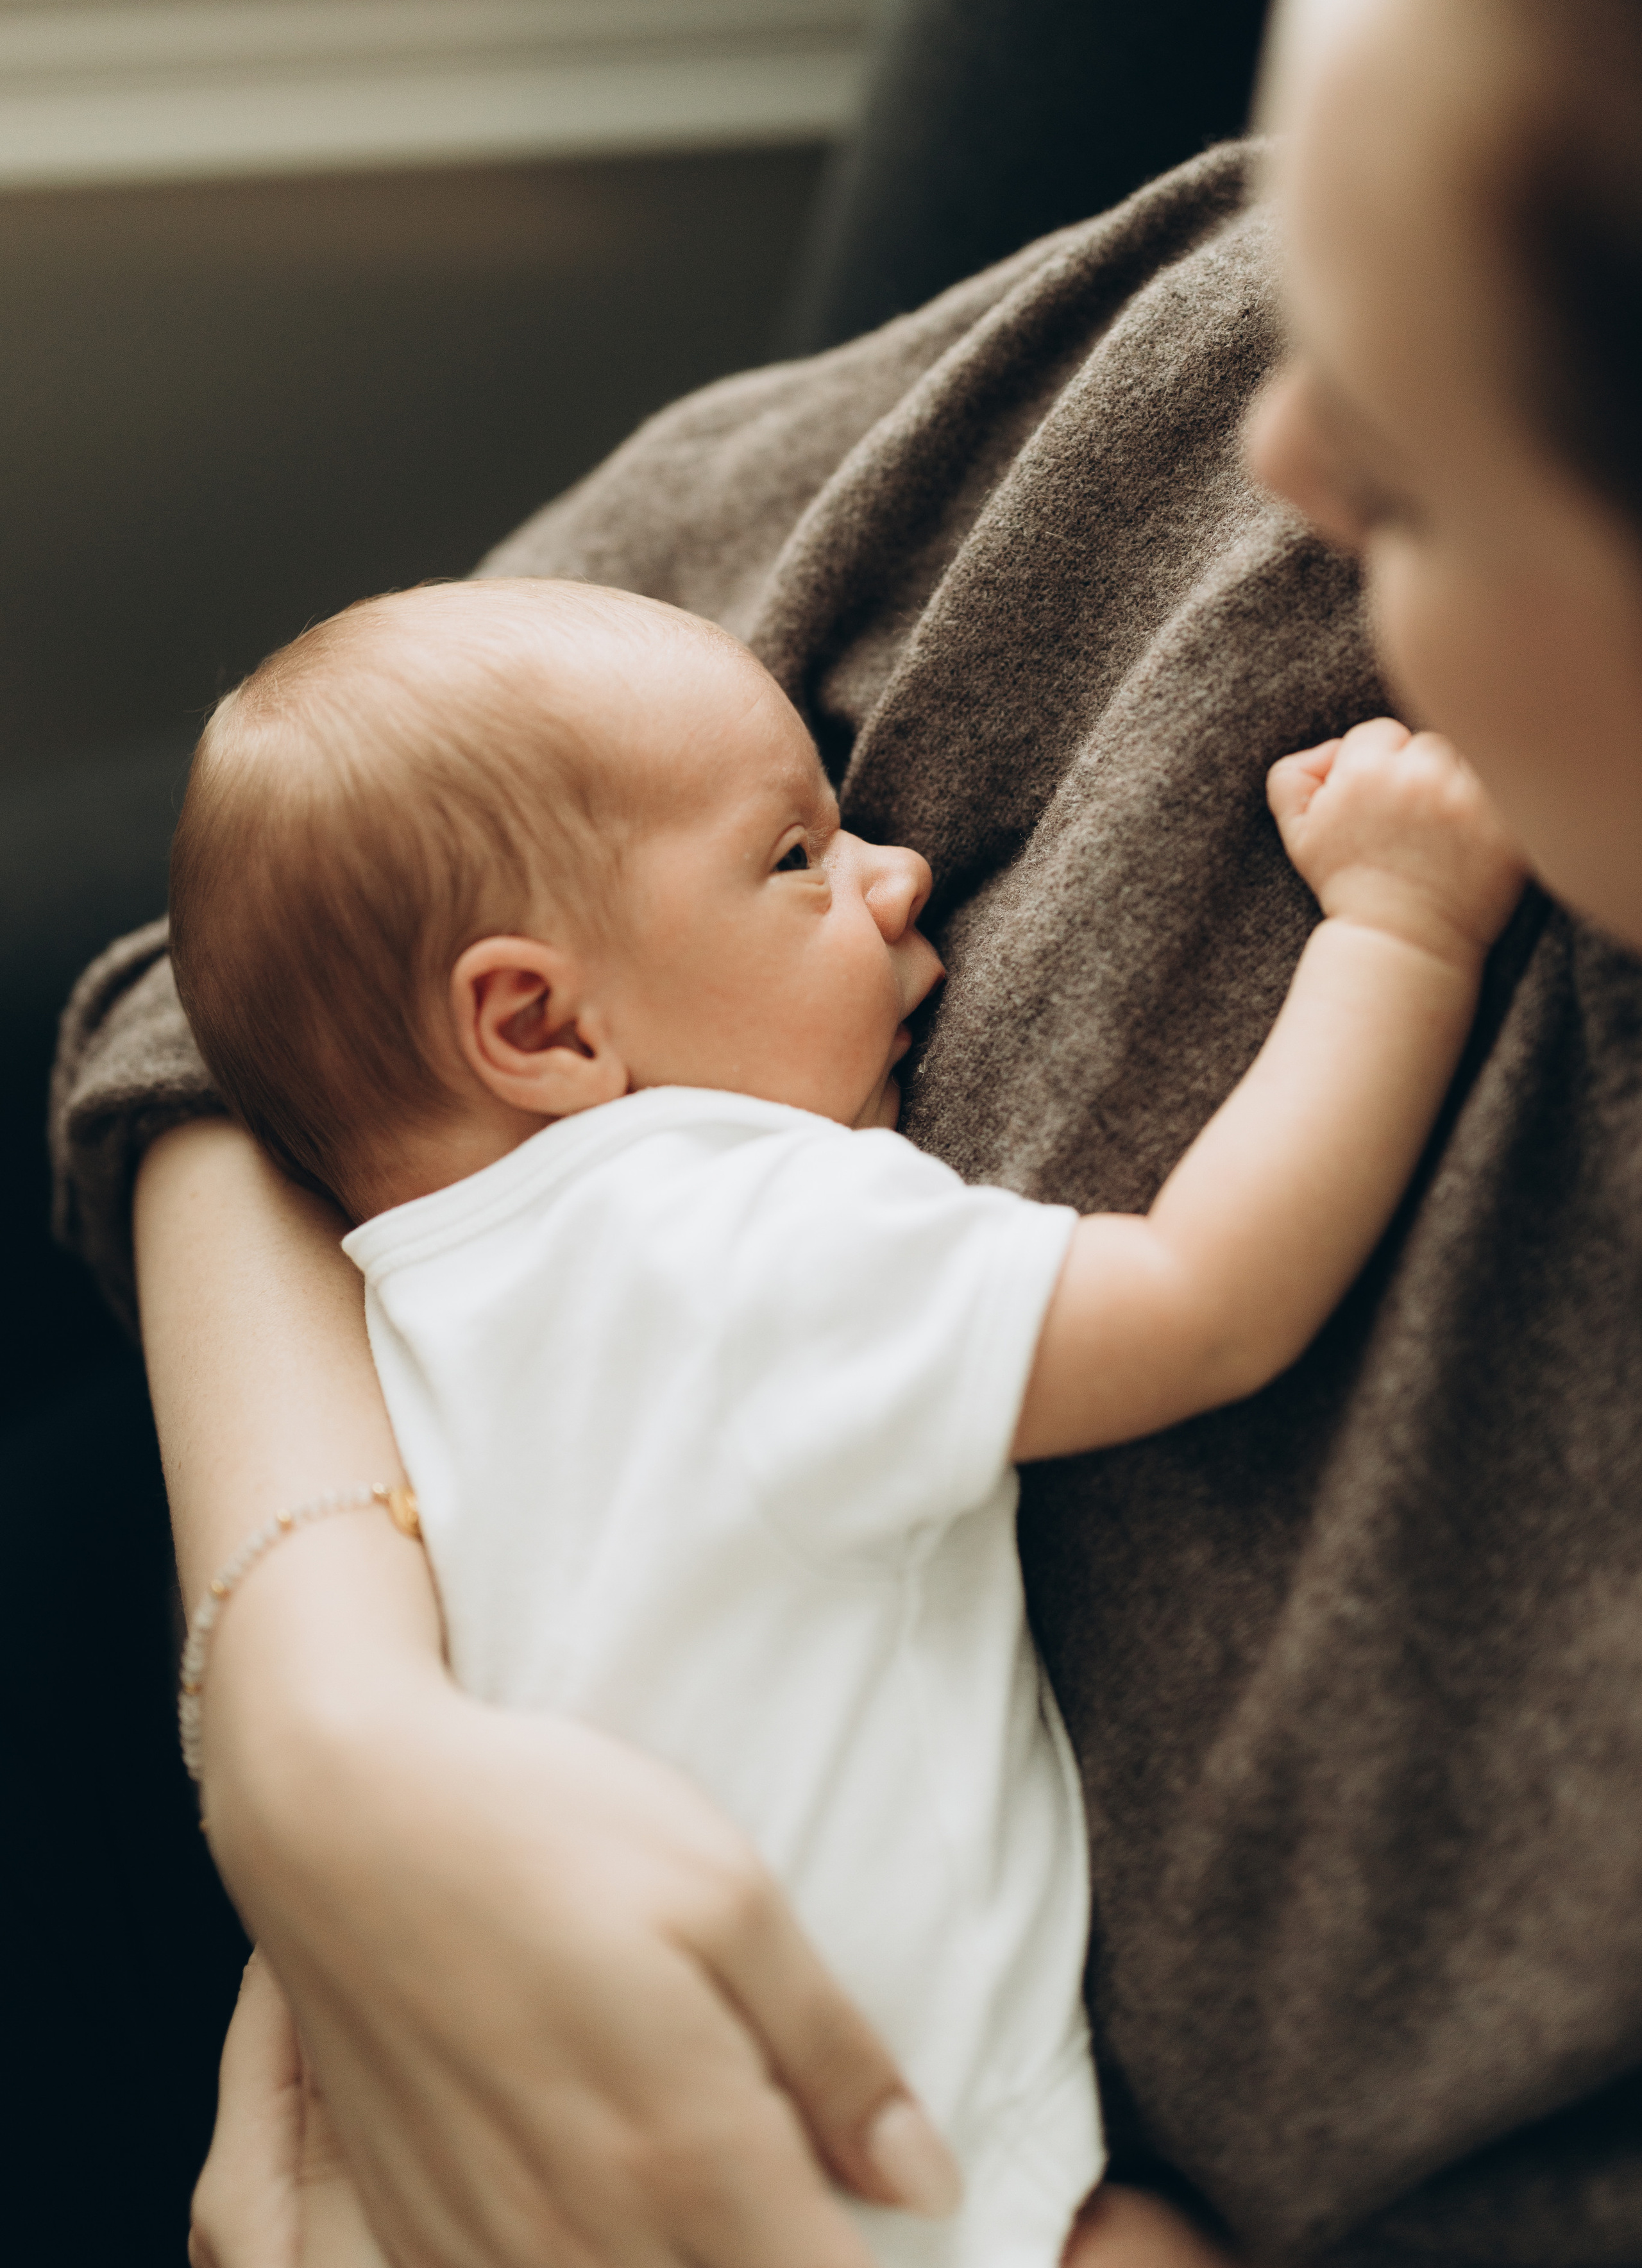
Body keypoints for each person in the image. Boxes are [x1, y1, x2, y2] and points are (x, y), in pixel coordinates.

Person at [51, 0, 1642, 2259]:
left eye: (1421, 449)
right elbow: (238, 970)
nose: (1282, 456)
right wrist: (308, 1716)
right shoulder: (702, 1185)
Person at [167, 576, 1518, 2267]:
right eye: (793, 859)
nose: (895, 870)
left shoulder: (397, 1318)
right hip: (852, 2172)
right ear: (543, 1025)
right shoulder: (708, 1233)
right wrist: (1404, 928)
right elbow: (1202, 1304)